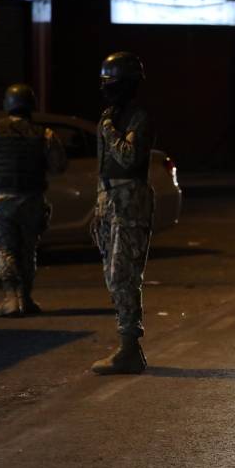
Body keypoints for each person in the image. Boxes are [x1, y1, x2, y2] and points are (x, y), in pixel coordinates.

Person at [90, 52, 155, 375]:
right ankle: (127, 346)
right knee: (112, 276)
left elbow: (129, 158)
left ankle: (129, 347)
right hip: (111, 202)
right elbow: (105, 168)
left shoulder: (137, 117)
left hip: (130, 202)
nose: (106, 89)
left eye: (111, 82)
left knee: (123, 275)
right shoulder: (110, 115)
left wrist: (109, 132)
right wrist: (98, 206)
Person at [0, 84, 67, 317]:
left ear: (7, 104)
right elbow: (58, 165)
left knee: (4, 249)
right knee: (28, 249)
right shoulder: (45, 134)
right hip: (32, 199)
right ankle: (27, 298)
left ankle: (12, 299)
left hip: (1, 201)